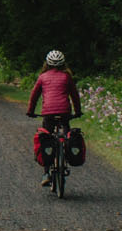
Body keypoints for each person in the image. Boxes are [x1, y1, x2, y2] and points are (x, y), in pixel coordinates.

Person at [25, 50, 81, 188]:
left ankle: (46, 174)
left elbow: (34, 96)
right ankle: (67, 155)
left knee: (46, 138)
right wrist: (78, 111)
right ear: (63, 64)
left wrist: (30, 111)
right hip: (64, 112)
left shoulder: (42, 77)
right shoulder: (67, 77)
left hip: (48, 113)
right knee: (67, 135)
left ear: (47, 63)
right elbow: (74, 96)